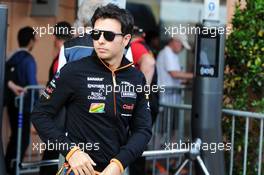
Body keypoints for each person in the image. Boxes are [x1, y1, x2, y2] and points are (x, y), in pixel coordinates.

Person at [31, 4, 152, 175]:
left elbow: (143, 130)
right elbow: (40, 114)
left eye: (109, 35)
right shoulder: (73, 71)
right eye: (96, 34)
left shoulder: (136, 78)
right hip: (77, 170)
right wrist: (71, 152)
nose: (100, 40)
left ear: (126, 39)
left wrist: (118, 164)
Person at [39, 21, 72, 175]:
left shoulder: (61, 57)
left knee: (52, 154)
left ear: (54, 37)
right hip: (63, 115)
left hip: (58, 115)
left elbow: (57, 88)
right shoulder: (70, 54)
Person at [4, 26, 38, 175]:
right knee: (22, 139)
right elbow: (32, 84)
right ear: (31, 41)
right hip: (24, 106)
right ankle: (12, 168)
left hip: (12, 104)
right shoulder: (28, 59)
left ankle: (8, 167)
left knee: (14, 137)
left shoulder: (11, 57)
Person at [129, 26, 158, 175]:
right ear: (143, 34)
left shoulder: (135, 46)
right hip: (151, 101)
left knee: (135, 142)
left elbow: (149, 63)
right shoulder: (145, 46)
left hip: (145, 102)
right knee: (139, 141)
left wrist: (139, 93)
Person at [157, 34, 193, 104]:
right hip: (166, 95)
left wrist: (185, 80)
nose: (182, 49)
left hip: (170, 95)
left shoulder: (172, 54)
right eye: (182, 46)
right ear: (175, 41)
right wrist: (195, 76)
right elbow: (174, 74)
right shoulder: (167, 53)